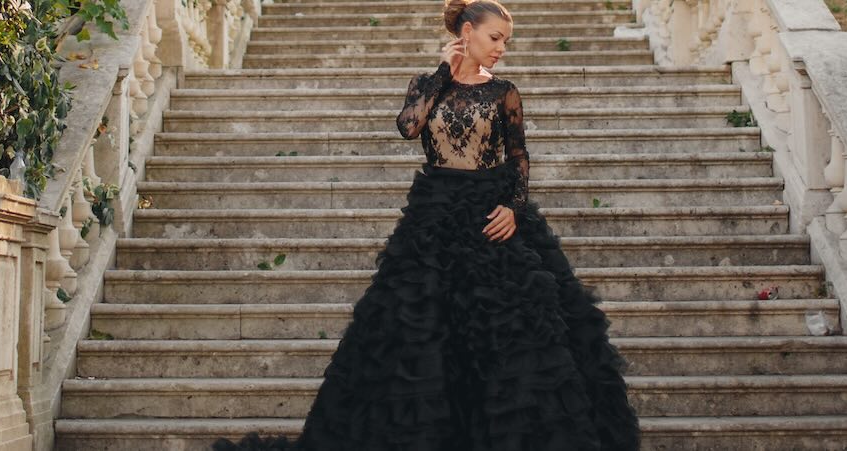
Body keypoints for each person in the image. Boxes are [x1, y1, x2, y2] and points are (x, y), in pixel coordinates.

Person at [214, 0, 640, 449]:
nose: (501, 48)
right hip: (434, 218)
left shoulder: (504, 92)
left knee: (513, 336)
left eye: (506, 42)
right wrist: (442, 70)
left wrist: (514, 208)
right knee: (417, 331)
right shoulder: (427, 84)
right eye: (495, 38)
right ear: (467, 31)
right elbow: (407, 126)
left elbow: (518, 157)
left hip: (491, 216)